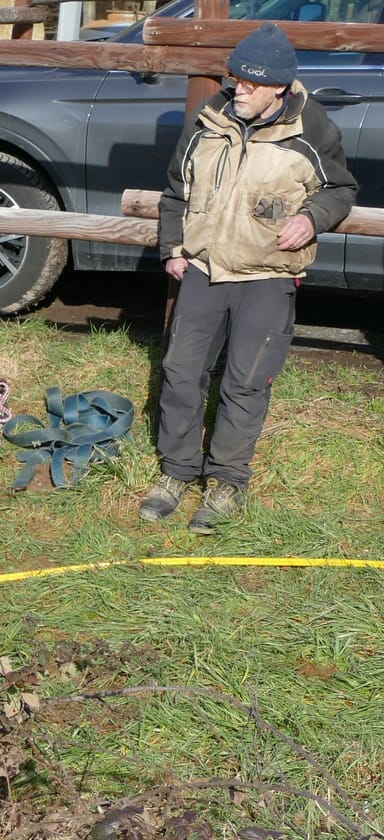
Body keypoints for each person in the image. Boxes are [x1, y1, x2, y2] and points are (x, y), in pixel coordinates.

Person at [143, 22, 355, 535]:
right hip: (204, 268)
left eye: (251, 83)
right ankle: (176, 472)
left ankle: (227, 483)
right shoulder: (208, 118)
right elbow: (177, 189)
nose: (239, 88)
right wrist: (173, 248)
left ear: (279, 88)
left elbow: (341, 188)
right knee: (180, 372)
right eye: (235, 77)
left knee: (245, 382)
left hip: (268, 275)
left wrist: (313, 217)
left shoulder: (312, 129)